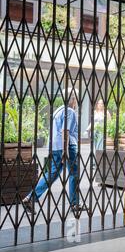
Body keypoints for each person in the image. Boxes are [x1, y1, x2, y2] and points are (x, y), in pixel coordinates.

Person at [22, 88, 86, 216]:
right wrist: (65, 150)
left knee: (52, 174)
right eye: (76, 99)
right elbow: (65, 131)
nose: (77, 102)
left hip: (55, 146)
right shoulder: (70, 112)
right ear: (73, 99)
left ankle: (30, 197)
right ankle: (74, 203)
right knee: (74, 173)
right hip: (67, 146)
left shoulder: (58, 110)